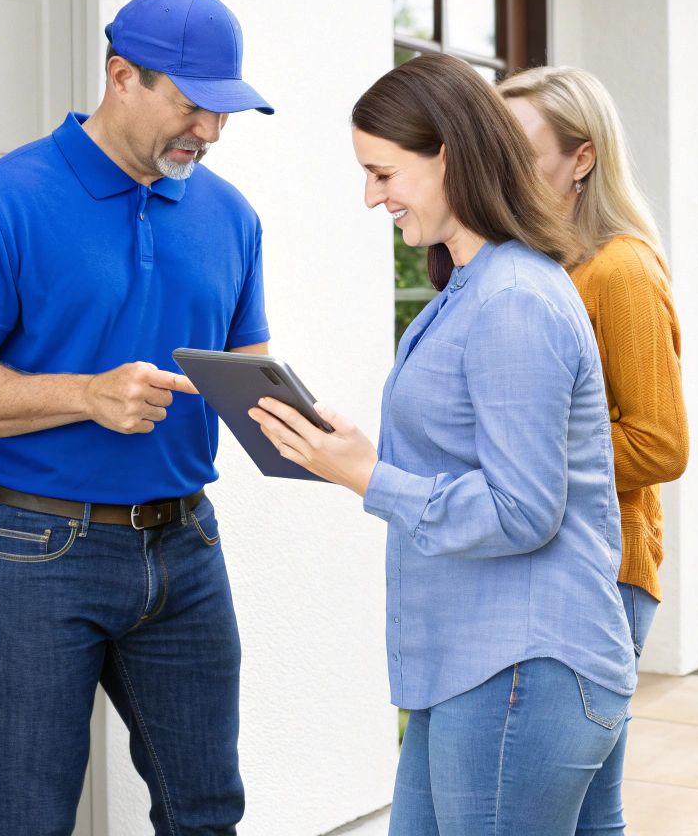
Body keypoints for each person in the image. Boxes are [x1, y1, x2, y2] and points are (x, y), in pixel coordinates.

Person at [0, 0, 274, 835]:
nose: (210, 133)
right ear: (121, 76)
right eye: (192, 106)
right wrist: (85, 394)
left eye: (226, 113)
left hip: (186, 549)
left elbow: (244, 371)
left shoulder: (231, 216)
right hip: (32, 551)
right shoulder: (3, 201)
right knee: (31, 818)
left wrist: (307, 429)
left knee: (207, 812)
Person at [248, 52, 635, 835]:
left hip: (521, 670)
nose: (371, 196)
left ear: (448, 156)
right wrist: (347, 455)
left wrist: (369, 478)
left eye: (383, 173)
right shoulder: (474, 286)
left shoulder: (513, 300)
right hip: (478, 671)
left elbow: (524, 512)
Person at [500, 66, 689, 834]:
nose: (504, 169)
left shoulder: (621, 270)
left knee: (564, 809)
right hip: (565, 564)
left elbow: (661, 443)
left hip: (605, 575)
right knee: (587, 812)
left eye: (522, 151)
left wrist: (523, 458)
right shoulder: (546, 266)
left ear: (582, 159)